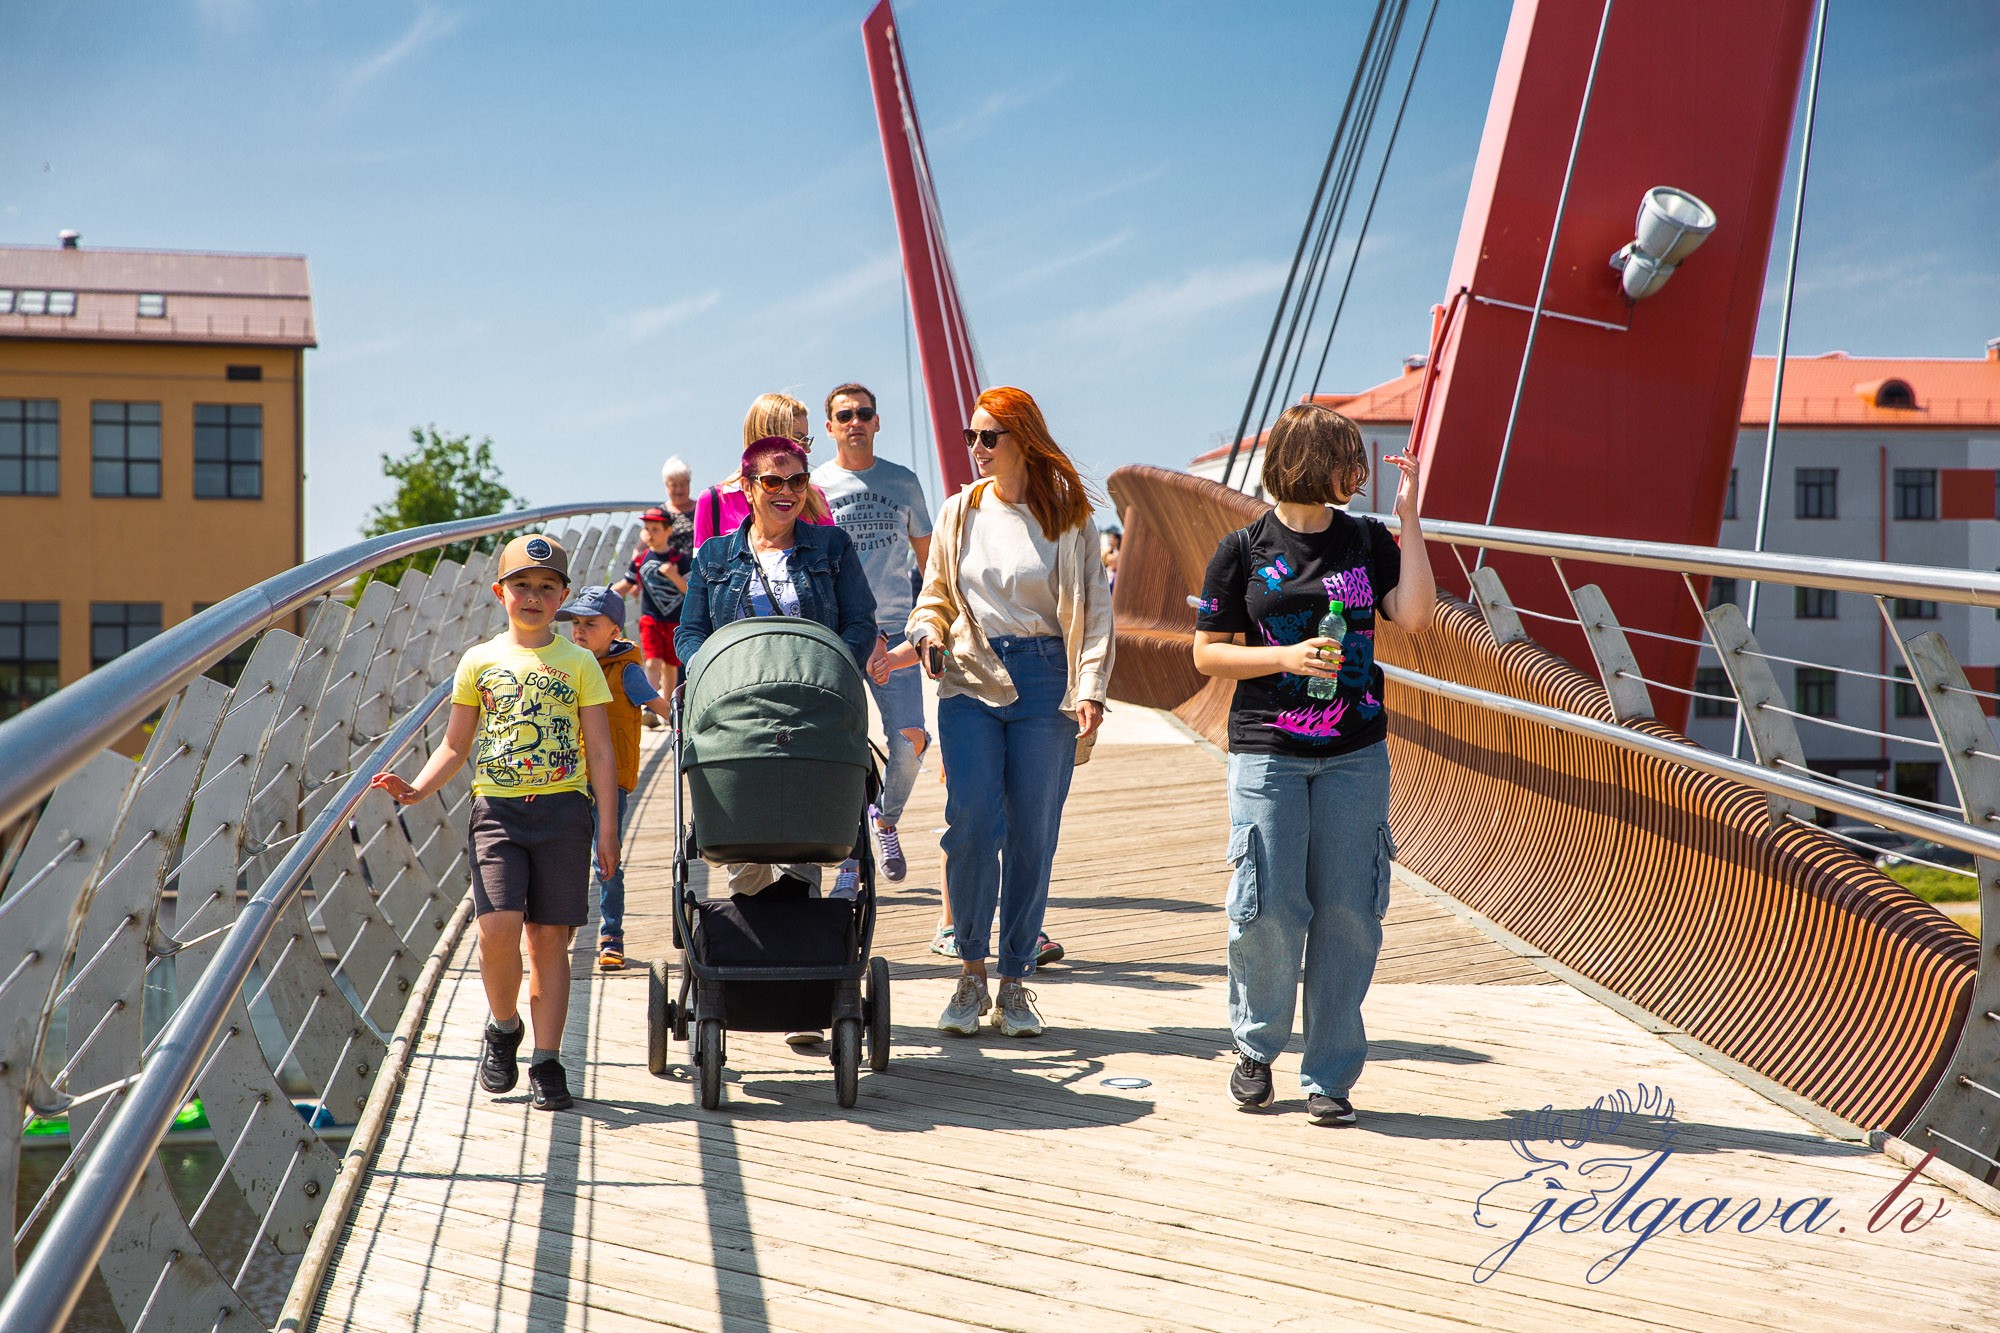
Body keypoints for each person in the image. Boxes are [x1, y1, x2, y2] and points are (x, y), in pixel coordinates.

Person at [1190, 402, 1433, 1127]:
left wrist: (1411, 520)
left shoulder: (1364, 539)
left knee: (1350, 912)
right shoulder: (1240, 549)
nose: (1357, 473)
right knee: (1269, 907)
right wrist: (1284, 657)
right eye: (1347, 459)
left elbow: (1414, 616)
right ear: (1309, 461)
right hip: (1270, 751)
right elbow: (1207, 651)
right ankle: (1256, 1048)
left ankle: (1329, 1074)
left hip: (1356, 754)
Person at [370, 534, 619, 1113]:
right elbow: (456, 746)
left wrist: (607, 828)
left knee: (549, 938)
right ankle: (504, 1027)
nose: (533, 596)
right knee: (498, 928)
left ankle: (548, 1061)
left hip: (563, 810)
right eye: (522, 586)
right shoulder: (477, 661)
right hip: (498, 812)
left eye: (546, 588)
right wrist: (417, 787)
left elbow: (601, 752)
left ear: (561, 597)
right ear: (499, 592)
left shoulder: (580, 662)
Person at [897, 386, 1113, 1040]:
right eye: (972, 437)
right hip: (969, 674)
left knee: (1031, 832)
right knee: (969, 821)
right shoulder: (959, 510)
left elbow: (1097, 612)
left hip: (1046, 678)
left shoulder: (1068, 516)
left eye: (989, 436)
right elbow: (931, 598)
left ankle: (1015, 981)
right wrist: (927, 634)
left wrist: (1091, 686)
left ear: (1023, 438)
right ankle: (969, 970)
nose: (977, 448)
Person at [677, 434, 884, 1044]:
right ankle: (754, 971)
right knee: (745, 842)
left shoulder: (831, 546)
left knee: (804, 834)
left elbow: (859, 620)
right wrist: (713, 669)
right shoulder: (716, 557)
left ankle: (804, 980)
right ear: (748, 488)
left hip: (810, 709)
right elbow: (691, 634)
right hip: (738, 715)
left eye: (797, 481)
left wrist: (832, 668)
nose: (787, 492)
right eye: (773, 481)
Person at [810, 381, 932, 892]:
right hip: (837, 635)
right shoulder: (813, 487)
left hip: (896, 633)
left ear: (877, 422)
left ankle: (884, 818)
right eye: (845, 415)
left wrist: (929, 630)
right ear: (830, 427)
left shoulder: (903, 483)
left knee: (911, 742)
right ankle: (847, 859)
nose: (855, 422)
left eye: (864, 413)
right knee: (835, 748)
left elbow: (933, 565)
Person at [558, 584, 673, 971]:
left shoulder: (627, 672)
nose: (579, 631)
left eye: (590, 623)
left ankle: (611, 936)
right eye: (575, 622)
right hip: (566, 778)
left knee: (606, 861)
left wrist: (691, 726)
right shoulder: (565, 666)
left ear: (615, 632)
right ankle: (566, 925)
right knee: (565, 857)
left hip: (610, 783)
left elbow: (658, 705)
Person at [692, 393, 829, 546]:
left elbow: (834, 563)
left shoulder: (814, 498)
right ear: (768, 438)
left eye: (807, 440)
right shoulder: (713, 501)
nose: (806, 449)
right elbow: (702, 568)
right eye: (798, 440)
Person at [610, 506, 688, 722]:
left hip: (674, 620)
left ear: (668, 530)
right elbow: (627, 584)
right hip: (651, 619)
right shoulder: (641, 558)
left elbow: (690, 592)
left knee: (671, 666)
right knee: (652, 661)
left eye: (656, 529)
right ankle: (651, 708)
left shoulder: (679, 560)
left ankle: (668, 707)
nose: (650, 534)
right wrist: (604, 593)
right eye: (647, 529)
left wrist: (674, 576)